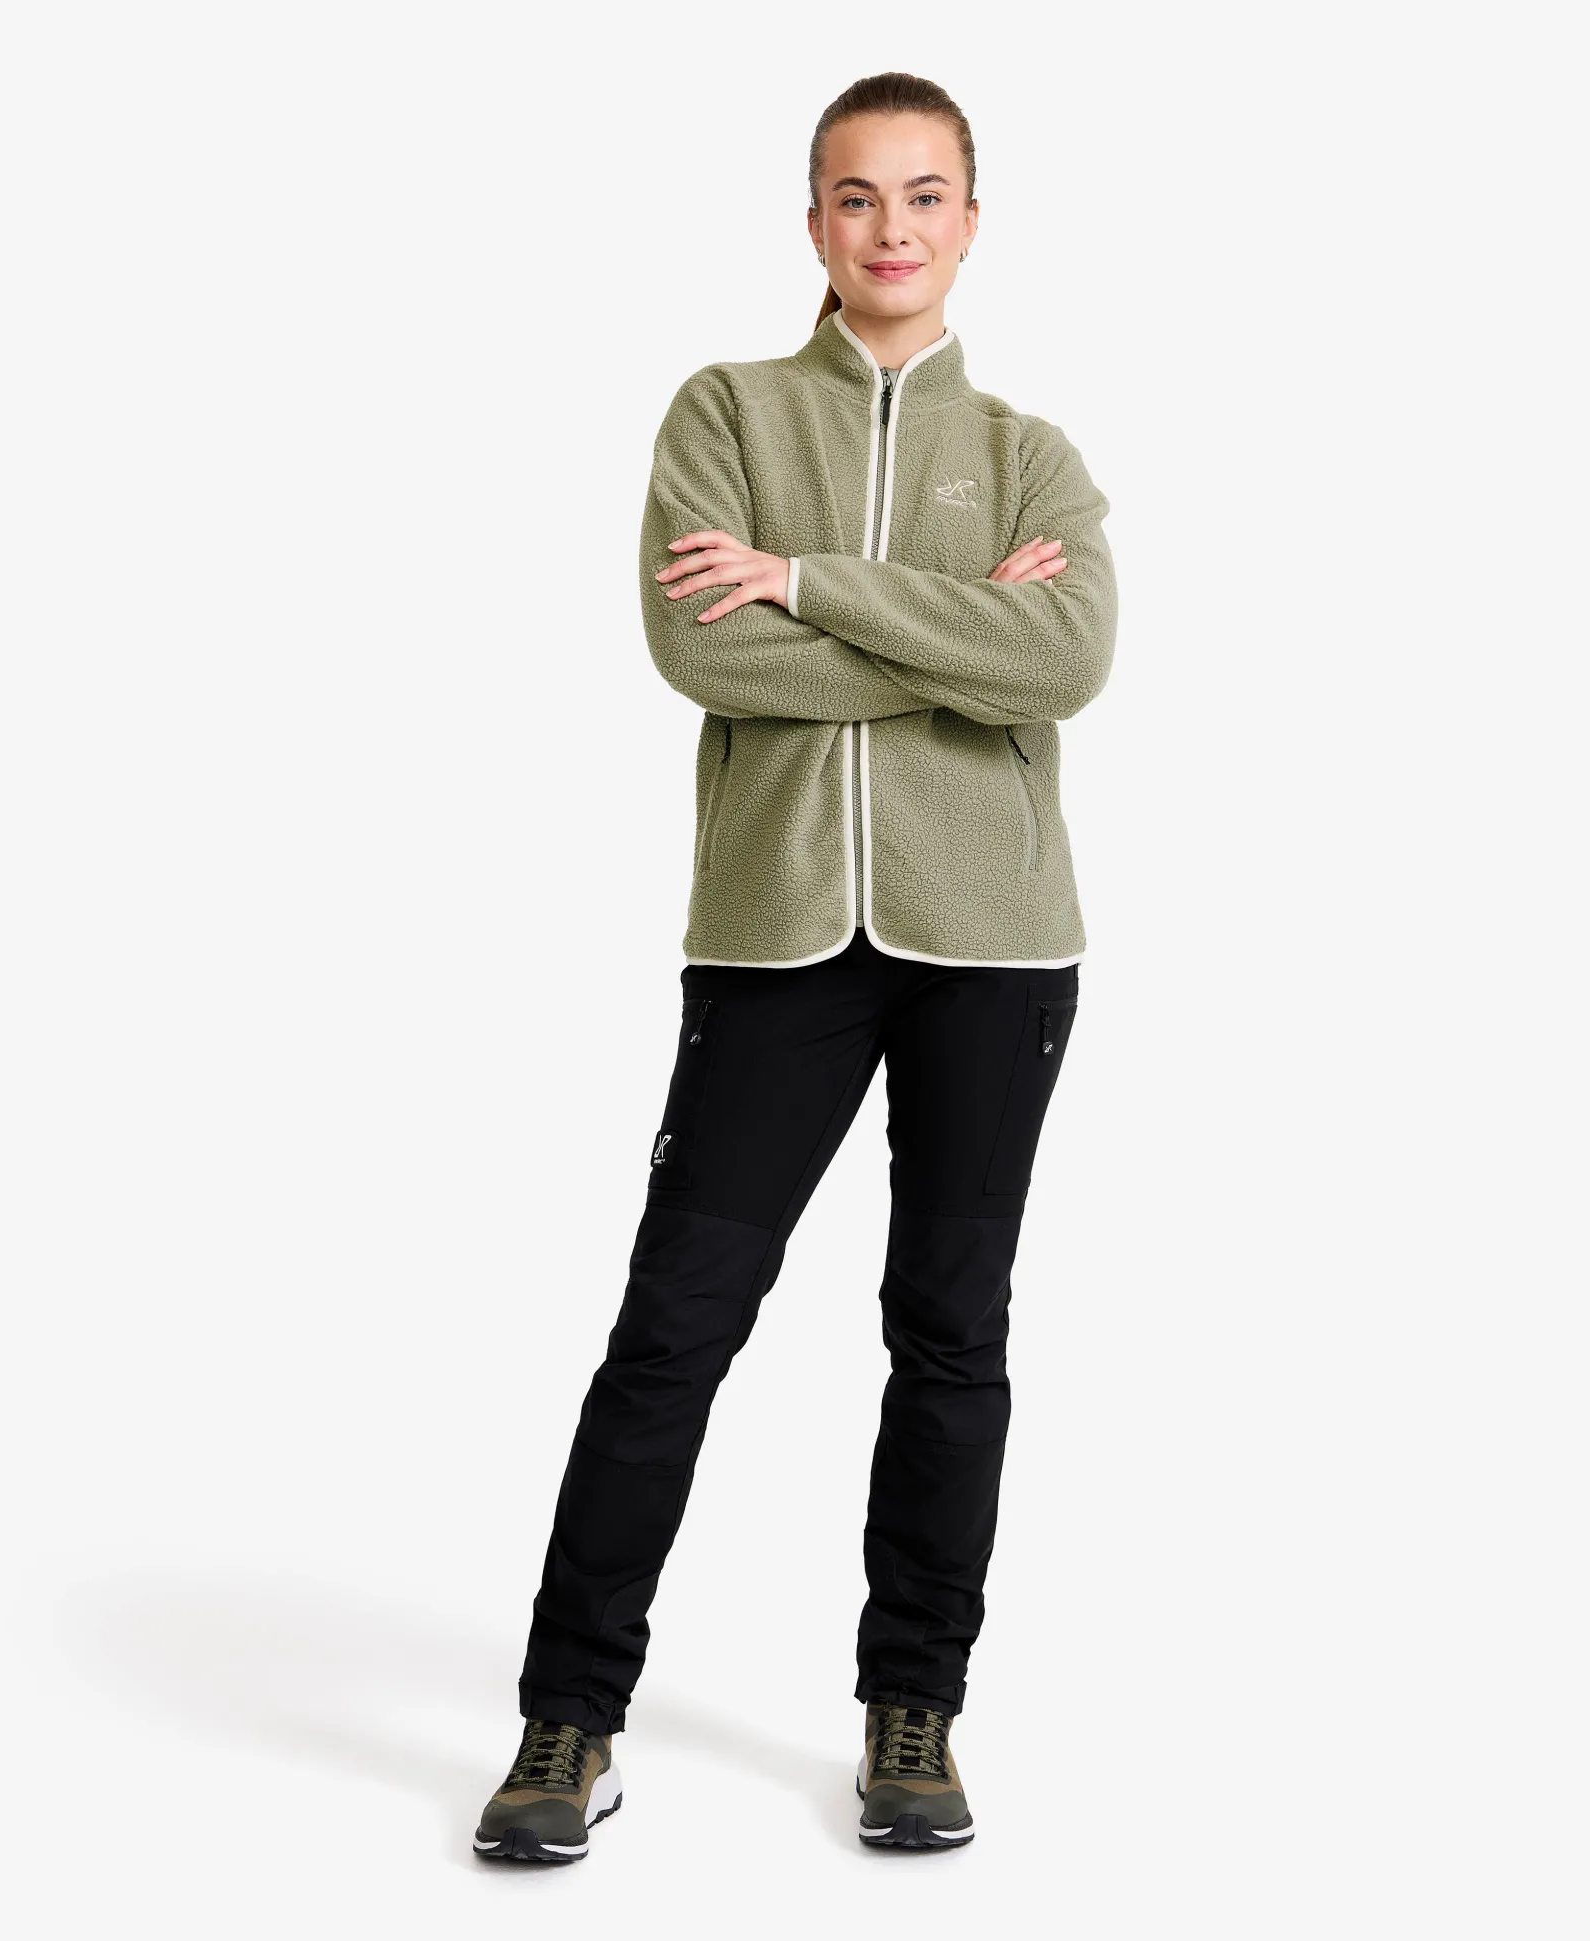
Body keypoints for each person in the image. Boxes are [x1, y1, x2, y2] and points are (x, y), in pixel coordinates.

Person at [474, 69, 1118, 1862]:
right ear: (815, 221)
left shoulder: (1038, 455)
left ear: (971, 223)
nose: (891, 228)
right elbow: (705, 654)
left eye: (924, 196)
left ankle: (916, 1714)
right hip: (776, 941)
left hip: (998, 945)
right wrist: (962, 634)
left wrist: (809, 583)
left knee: (950, 1332)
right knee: (674, 1327)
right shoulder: (728, 411)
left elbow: (1066, 664)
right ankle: (568, 1719)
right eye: (856, 196)